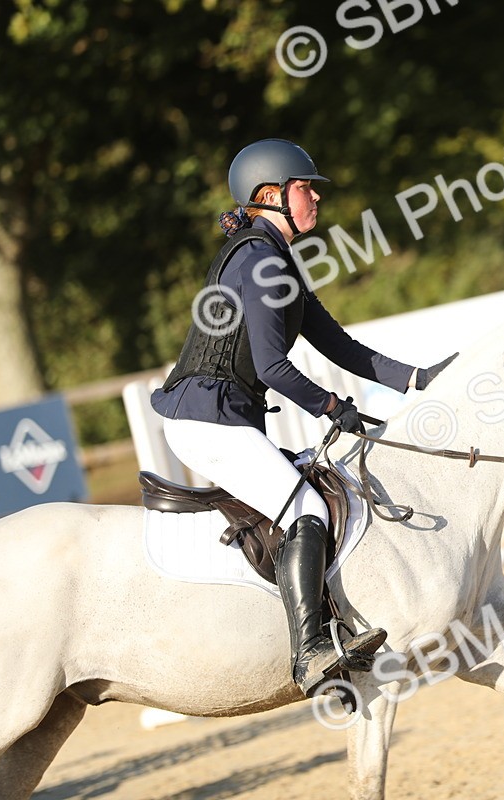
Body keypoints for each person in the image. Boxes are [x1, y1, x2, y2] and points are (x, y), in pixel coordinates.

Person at [151, 138, 456, 697]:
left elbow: (338, 344)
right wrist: (334, 408)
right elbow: (270, 367)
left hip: (224, 415)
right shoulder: (260, 259)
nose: (315, 197)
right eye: (304, 188)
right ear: (270, 195)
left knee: (318, 493)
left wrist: (420, 379)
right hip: (206, 417)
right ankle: (312, 652)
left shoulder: (275, 256)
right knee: (308, 507)